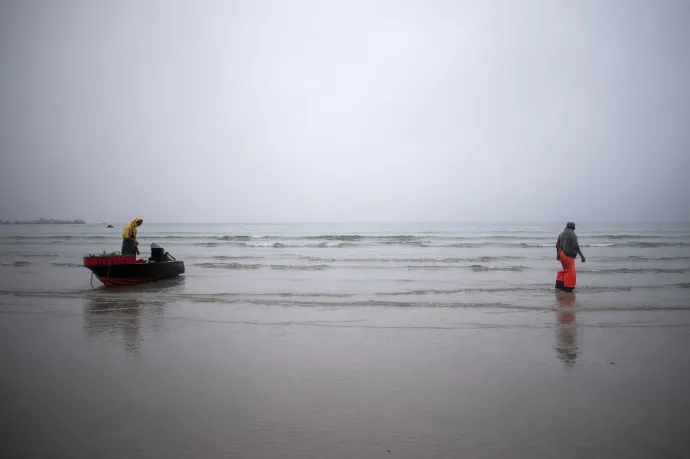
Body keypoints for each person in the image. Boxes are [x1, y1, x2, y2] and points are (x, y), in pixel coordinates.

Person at [555, 222, 585, 292]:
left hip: (562, 254)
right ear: (573, 227)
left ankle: (560, 285)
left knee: (565, 269)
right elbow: (575, 246)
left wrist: (558, 254)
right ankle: (568, 288)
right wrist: (582, 256)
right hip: (568, 255)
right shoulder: (572, 234)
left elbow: (557, 245)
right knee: (570, 271)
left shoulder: (561, 234)